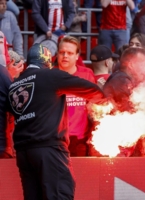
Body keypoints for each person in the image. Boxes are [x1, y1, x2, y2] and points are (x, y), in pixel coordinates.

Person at [7, 43, 106, 199]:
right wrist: (104, 99)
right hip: (48, 148)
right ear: (46, 59)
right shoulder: (51, 75)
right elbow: (89, 88)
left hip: (24, 152)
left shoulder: (14, 85)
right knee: (60, 195)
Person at [103, 47, 145, 156]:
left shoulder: (122, 79)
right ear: (131, 65)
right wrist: (142, 139)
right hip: (117, 143)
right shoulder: (122, 81)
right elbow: (129, 113)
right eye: (142, 64)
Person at [56, 36, 97, 157]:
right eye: (62, 52)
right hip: (56, 140)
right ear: (57, 54)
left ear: (77, 56)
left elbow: (94, 105)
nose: (65, 56)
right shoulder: (50, 75)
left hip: (80, 139)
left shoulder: (87, 74)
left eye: (70, 53)